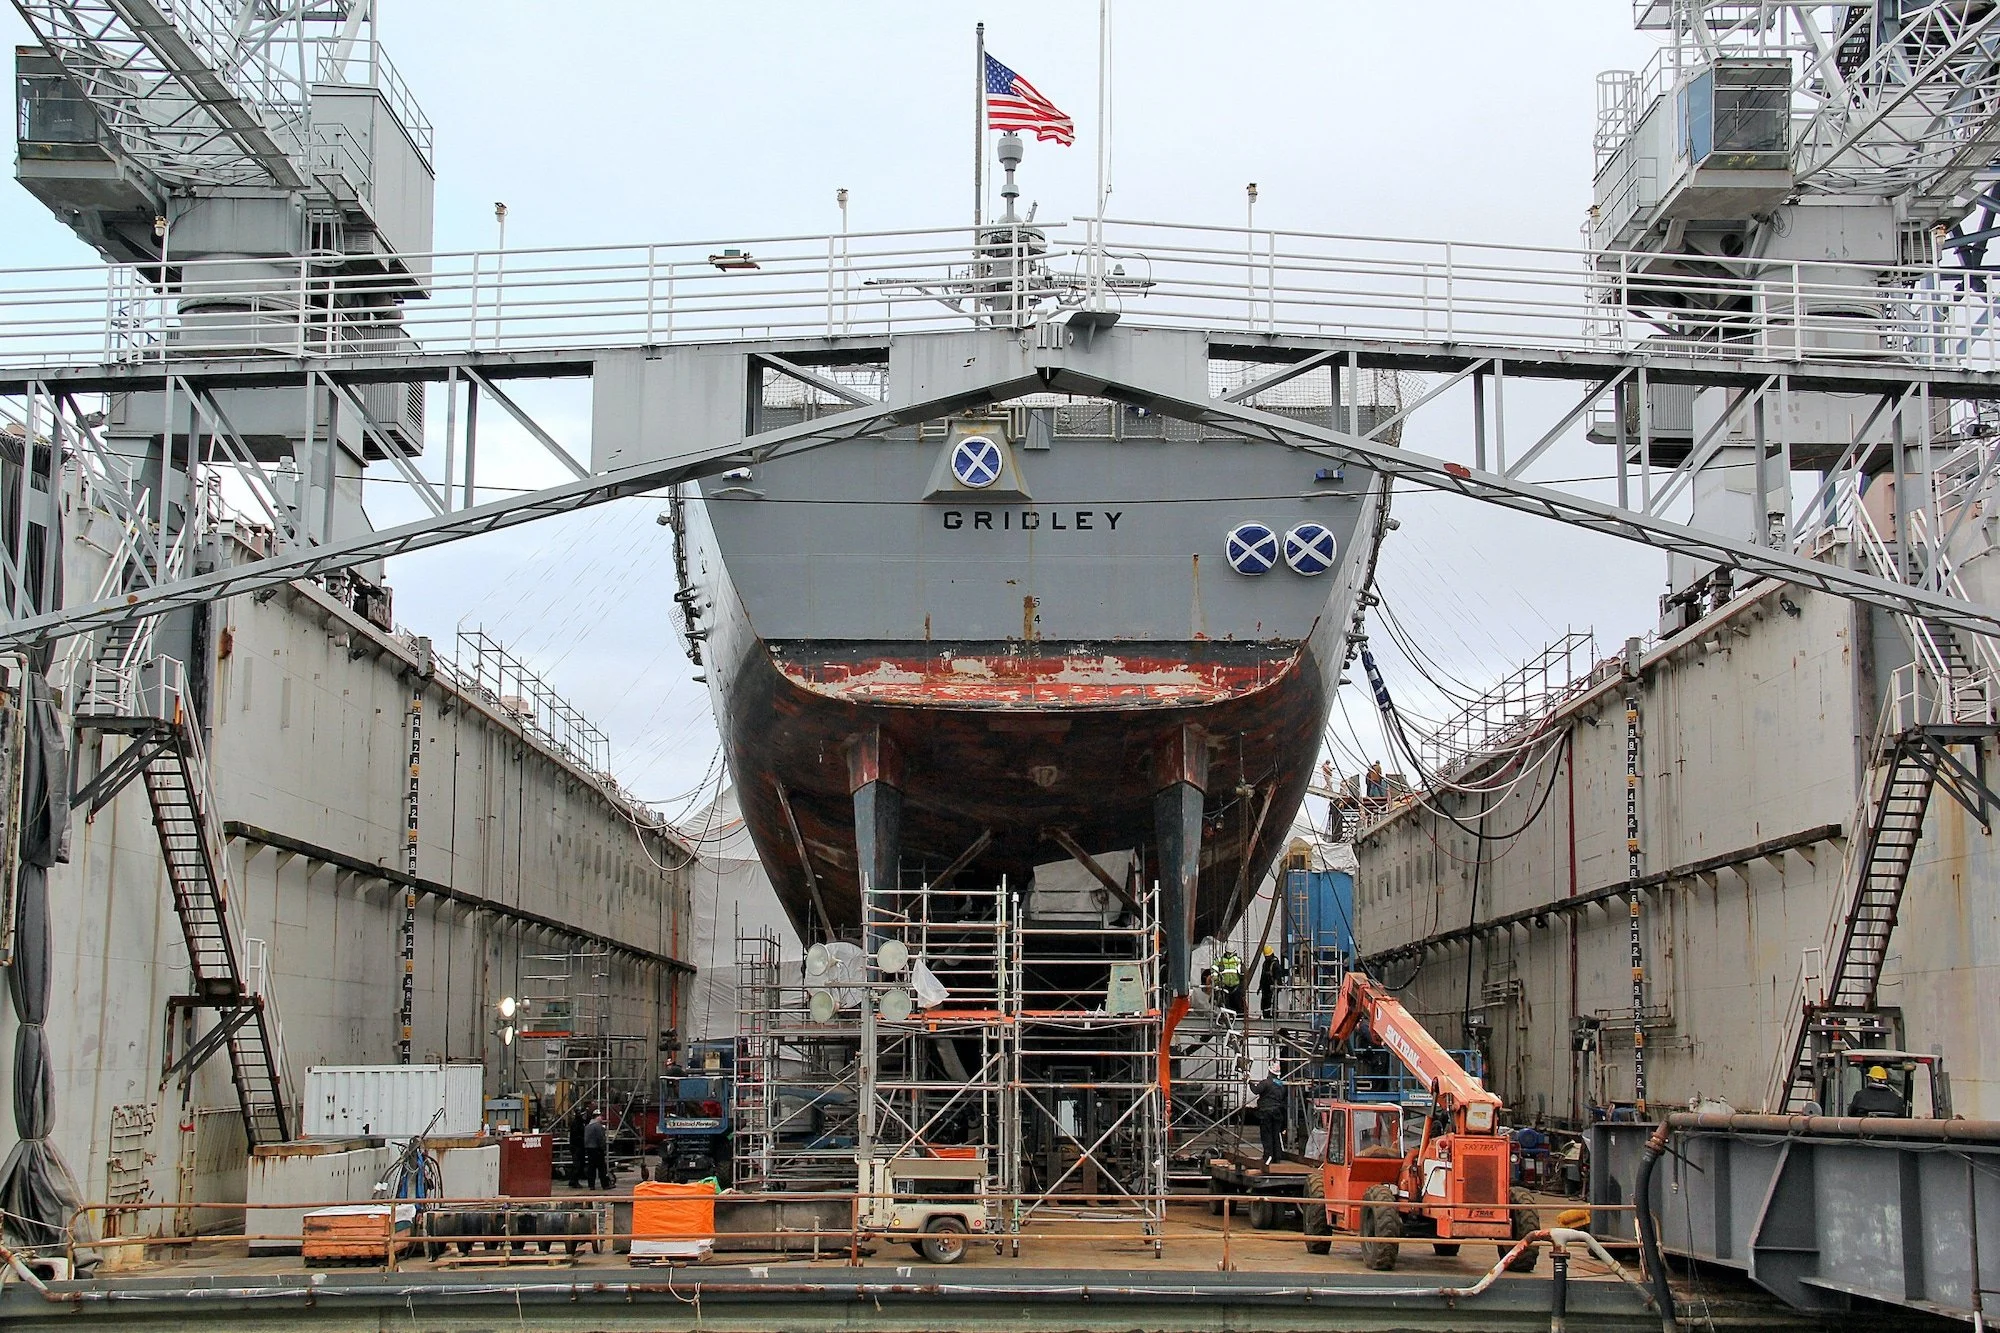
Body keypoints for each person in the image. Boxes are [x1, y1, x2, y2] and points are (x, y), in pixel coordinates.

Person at [1249, 1064, 1288, 1166]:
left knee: (1267, 1135)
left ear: (1270, 1072)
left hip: (1266, 1112)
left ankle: (1268, 1156)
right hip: (1277, 1112)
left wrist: (1249, 1082)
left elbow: (1255, 1090)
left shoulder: (1266, 1083)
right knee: (1276, 1135)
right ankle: (1277, 1157)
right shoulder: (1281, 1085)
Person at [583, 1111, 613, 1190]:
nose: (602, 1118)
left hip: (589, 1149)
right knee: (602, 1168)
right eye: (601, 1116)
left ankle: (591, 1185)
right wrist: (603, 1148)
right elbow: (601, 1138)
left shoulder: (587, 1126)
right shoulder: (598, 1126)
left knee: (591, 1168)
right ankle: (605, 1185)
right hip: (597, 1149)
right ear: (597, 1117)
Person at [1258, 945, 1288, 1018]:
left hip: (1273, 988)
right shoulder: (1265, 964)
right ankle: (1266, 1016)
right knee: (1264, 1003)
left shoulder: (1275, 964)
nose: (1266, 958)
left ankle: (1273, 1016)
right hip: (1265, 988)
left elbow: (1278, 977)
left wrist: (1276, 986)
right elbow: (1263, 976)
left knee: (1272, 1003)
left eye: (1267, 956)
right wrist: (1260, 987)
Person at [565, 1103, 590, 1188]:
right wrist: (584, 1140)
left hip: (579, 1147)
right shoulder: (576, 1123)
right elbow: (576, 1136)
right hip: (576, 1147)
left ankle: (574, 1180)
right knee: (577, 1165)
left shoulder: (580, 1123)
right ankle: (574, 1181)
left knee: (580, 1164)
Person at [1214, 948, 1246, 1016]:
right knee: (1226, 1004)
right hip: (1225, 986)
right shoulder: (1220, 960)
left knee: (1236, 1003)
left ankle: (1238, 1016)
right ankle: (1229, 1016)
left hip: (1235, 986)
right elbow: (1214, 971)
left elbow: (1242, 973)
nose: (1229, 955)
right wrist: (1216, 982)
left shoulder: (1237, 960)